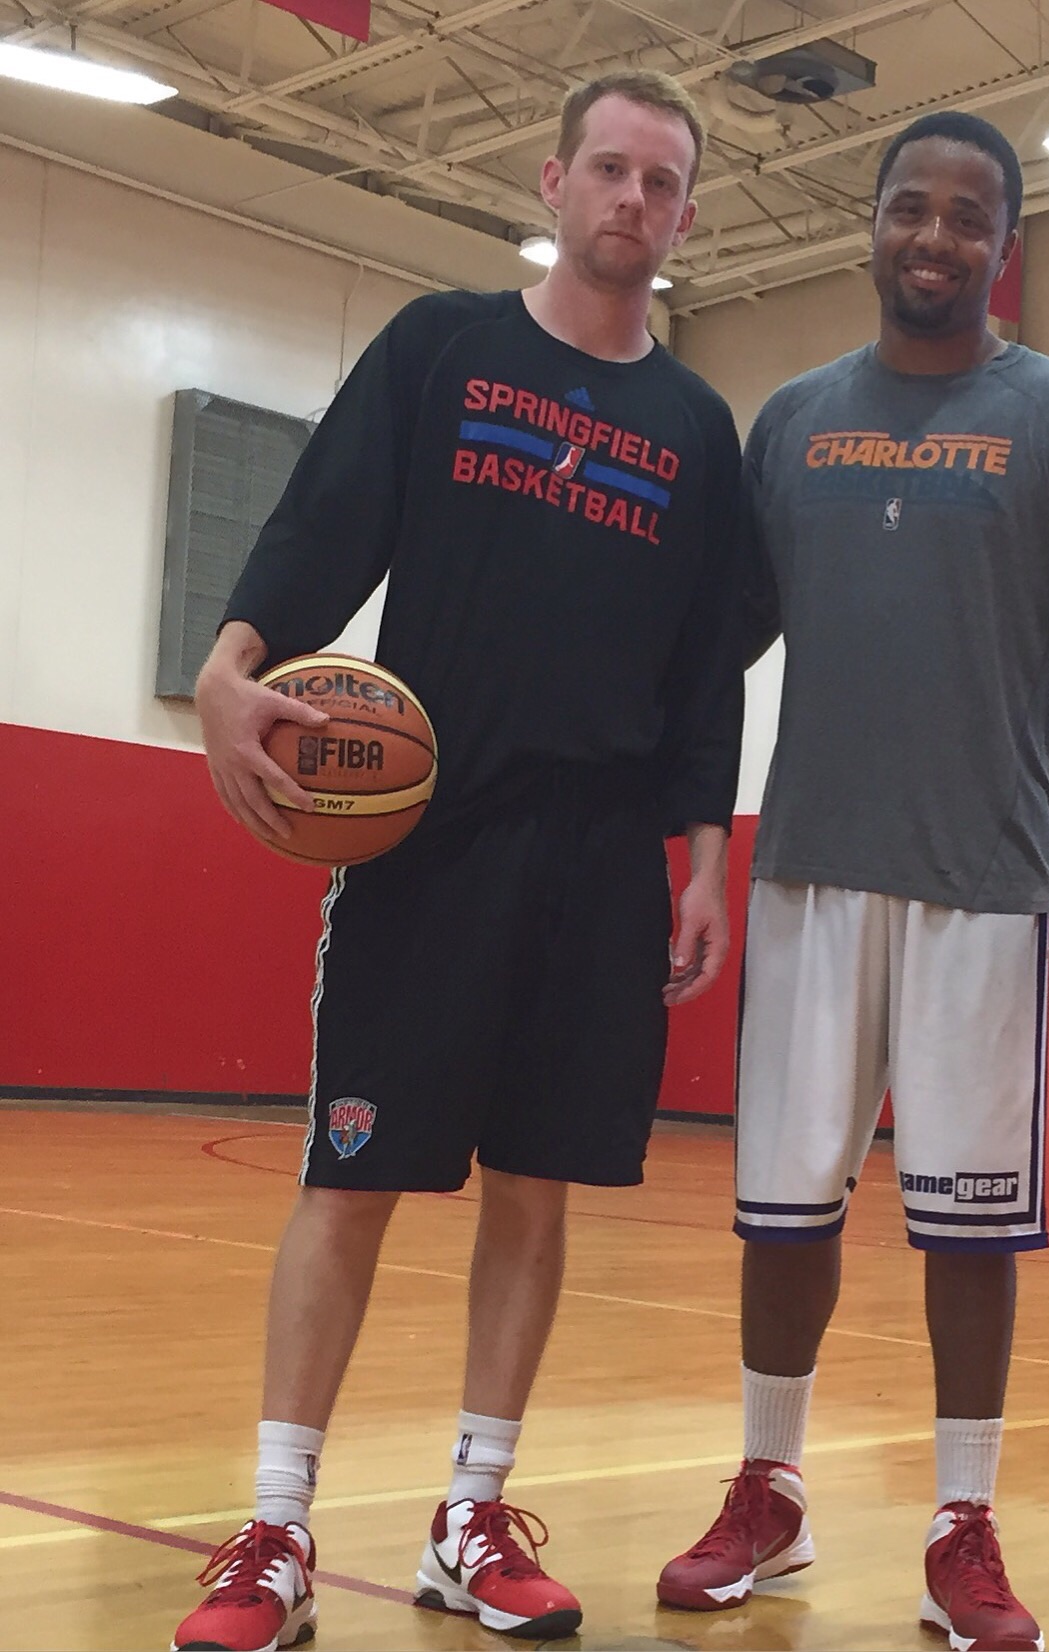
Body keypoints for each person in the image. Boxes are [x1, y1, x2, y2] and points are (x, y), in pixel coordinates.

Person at [173, 68, 744, 1652]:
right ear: (552, 183)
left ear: (687, 218)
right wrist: (228, 664)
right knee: (350, 1178)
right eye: (609, 169)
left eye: (661, 183)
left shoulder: (697, 431)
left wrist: (704, 859)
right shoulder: (444, 349)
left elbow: (709, 668)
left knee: (535, 1189)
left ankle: (473, 1517)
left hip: (602, 855)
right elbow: (324, 522)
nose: (632, 200)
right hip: (431, 844)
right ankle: (276, 1530)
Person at [656, 111, 1049, 1652]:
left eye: (967, 216)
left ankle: (963, 1521)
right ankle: (771, 1489)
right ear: (870, 223)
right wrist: (649, 781)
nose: (934, 237)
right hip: (810, 871)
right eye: (910, 208)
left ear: (1003, 247)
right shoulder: (796, 423)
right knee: (782, 1212)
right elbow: (712, 646)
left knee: (971, 1225)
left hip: (986, 885)